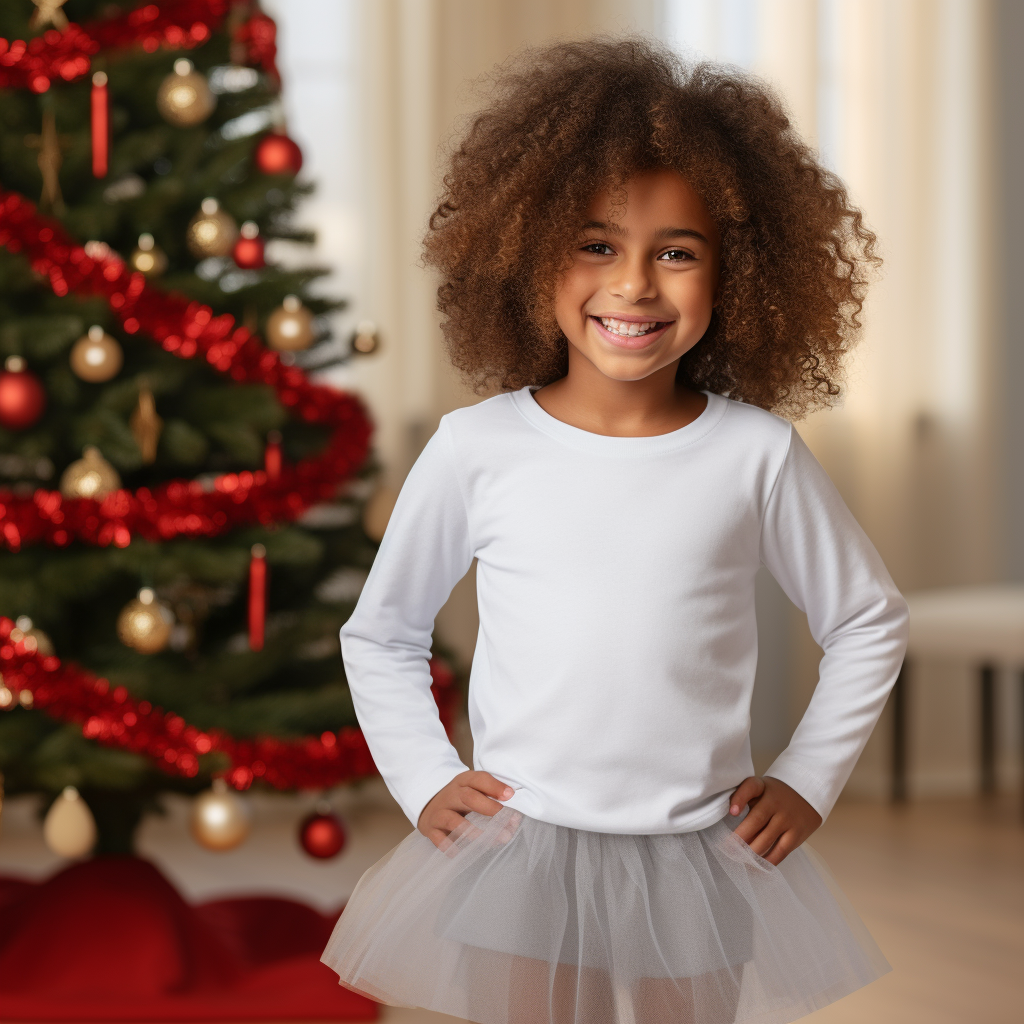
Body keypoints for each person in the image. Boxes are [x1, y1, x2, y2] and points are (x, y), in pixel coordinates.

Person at [321, 37, 909, 1024]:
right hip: (522, 848)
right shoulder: (477, 448)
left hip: (702, 851)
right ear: (524, 252)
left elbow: (868, 619)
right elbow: (380, 631)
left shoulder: (754, 455)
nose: (634, 285)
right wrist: (424, 775)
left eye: (675, 252)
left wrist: (807, 777)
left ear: (738, 273)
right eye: (597, 245)